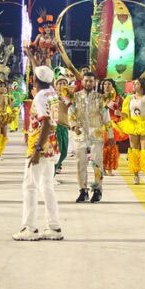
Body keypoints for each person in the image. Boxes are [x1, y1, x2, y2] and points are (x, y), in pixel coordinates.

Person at [13, 66, 64, 241]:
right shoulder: (52, 93)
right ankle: (54, 226)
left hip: (40, 147)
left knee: (30, 186)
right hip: (52, 146)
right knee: (46, 186)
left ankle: (30, 228)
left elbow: (46, 123)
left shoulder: (41, 97)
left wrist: (37, 150)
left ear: (35, 80)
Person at [69, 71, 114, 203]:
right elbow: (71, 113)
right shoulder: (75, 97)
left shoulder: (101, 98)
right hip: (81, 134)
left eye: (91, 81)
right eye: (86, 81)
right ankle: (83, 190)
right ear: (82, 82)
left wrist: (110, 135)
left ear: (94, 83)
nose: (88, 83)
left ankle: (97, 189)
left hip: (97, 134)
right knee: (80, 163)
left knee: (97, 162)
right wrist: (74, 125)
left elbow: (106, 117)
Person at [116, 78, 145, 185]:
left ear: (142, 85)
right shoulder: (129, 98)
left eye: (136, 83)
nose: (134, 85)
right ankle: (135, 175)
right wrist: (120, 113)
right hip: (133, 125)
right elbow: (126, 113)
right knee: (134, 151)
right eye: (134, 84)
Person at [100, 78, 126, 176]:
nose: (106, 86)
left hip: (114, 125)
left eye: (109, 84)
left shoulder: (118, 98)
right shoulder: (99, 97)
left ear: (113, 86)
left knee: (111, 146)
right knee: (102, 147)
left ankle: (110, 168)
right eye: (104, 84)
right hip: (101, 125)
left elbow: (125, 112)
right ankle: (102, 167)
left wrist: (120, 113)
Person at [53, 75, 72, 176]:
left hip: (65, 126)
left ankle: (56, 167)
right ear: (55, 86)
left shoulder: (70, 97)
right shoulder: (52, 96)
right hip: (56, 127)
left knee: (64, 153)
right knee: (58, 151)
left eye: (64, 83)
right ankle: (53, 172)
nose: (62, 85)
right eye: (59, 83)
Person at [0, 80, 13, 160]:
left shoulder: (8, 97)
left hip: (5, 117)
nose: (2, 88)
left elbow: (10, 107)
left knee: (4, 135)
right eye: (0, 86)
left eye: (4, 86)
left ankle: (0, 153)